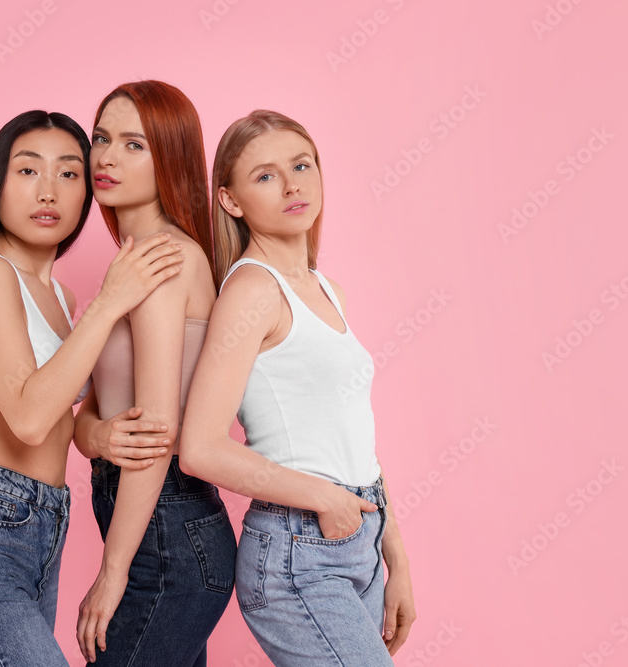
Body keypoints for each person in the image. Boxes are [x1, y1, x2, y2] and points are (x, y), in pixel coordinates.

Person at [0, 109, 184, 666]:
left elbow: (64, 418)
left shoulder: (61, 300)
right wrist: (110, 303)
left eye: (68, 173)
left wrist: (99, 434)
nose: (48, 191)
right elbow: (30, 418)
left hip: (43, 531)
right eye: (27, 170)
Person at [178, 110, 417, 666]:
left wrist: (397, 560)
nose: (292, 185)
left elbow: (354, 438)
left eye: (302, 165)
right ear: (230, 200)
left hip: (359, 536)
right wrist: (325, 498)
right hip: (298, 550)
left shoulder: (326, 289)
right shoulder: (253, 291)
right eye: (265, 175)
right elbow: (201, 448)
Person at [72, 81, 237, 666]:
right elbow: (92, 412)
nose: (107, 157)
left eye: (133, 144)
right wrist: (96, 435)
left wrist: (112, 571)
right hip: (163, 529)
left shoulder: (162, 257)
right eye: (101, 139)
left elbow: (158, 430)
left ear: (169, 156)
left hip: (167, 532)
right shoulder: (134, 263)